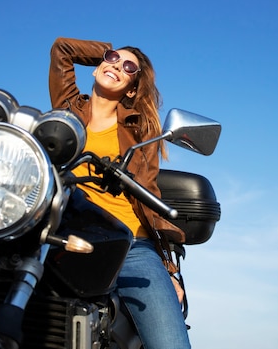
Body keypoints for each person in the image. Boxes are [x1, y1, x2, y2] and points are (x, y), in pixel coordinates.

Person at [48, 37, 191, 349]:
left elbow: (148, 190)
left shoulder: (141, 130)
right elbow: (62, 49)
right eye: (112, 58)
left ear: (131, 89)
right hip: (65, 233)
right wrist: (106, 51)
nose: (116, 65)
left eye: (128, 68)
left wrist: (171, 270)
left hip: (130, 246)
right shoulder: (69, 108)